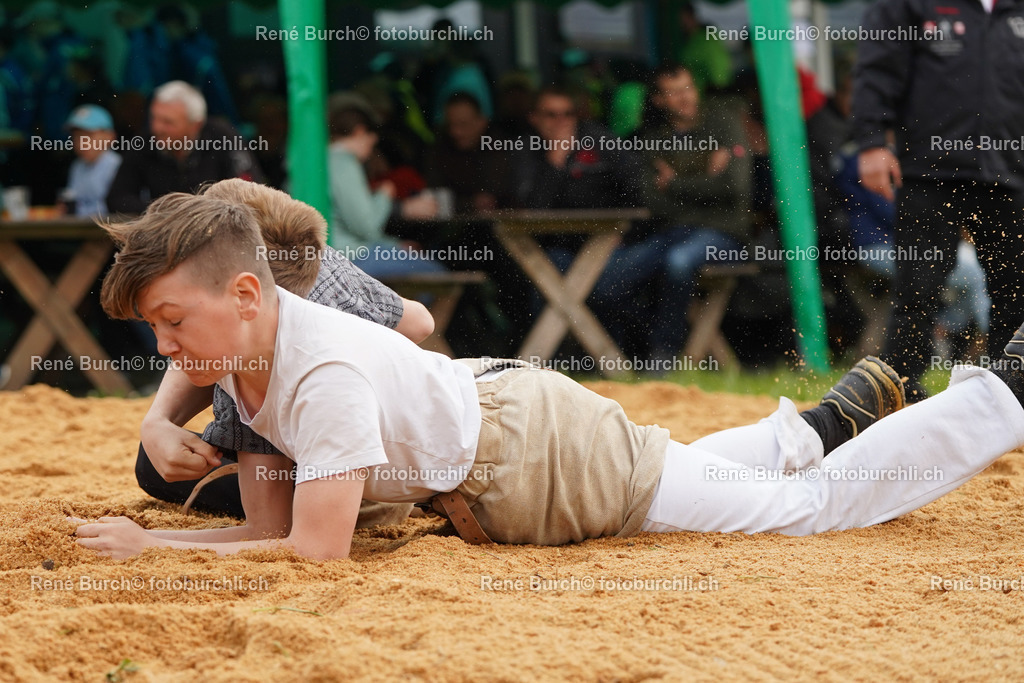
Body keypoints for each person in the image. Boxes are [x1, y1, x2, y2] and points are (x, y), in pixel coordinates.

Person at [73, 191, 1024, 559]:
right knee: (675, 470)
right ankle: (803, 431)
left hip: (537, 457)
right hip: (515, 430)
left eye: (171, 321)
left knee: (804, 512)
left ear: (247, 294)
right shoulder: (247, 358)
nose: (164, 348)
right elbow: (263, 530)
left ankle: (999, 396)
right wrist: (168, 534)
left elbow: (313, 554)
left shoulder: (317, 373)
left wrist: (152, 547)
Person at [127, 179, 433, 526]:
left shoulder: (257, 328)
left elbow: (270, 531)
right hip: (388, 458)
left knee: (155, 465)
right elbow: (420, 322)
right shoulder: (321, 261)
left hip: (344, 486)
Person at [852, 0, 1024, 401]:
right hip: (929, 172)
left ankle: (1008, 400)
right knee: (917, 293)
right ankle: (897, 397)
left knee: (1016, 296)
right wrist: (872, 140)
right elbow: (878, 66)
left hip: (1011, 173)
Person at [640, 63, 752, 362]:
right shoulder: (654, 137)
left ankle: (663, 355)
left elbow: (735, 187)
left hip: (725, 234)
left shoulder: (723, 123)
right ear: (658, 100)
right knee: (614, 276)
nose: (685, 97)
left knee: (677, 262)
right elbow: (652, 202)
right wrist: (706, 177)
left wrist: (674, 183)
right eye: (674, 92)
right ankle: (616, 355)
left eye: (688, 88)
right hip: (673, 231)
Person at [326, 93, 441, 278]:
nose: (371, 150)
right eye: (372, 141)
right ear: (360, 132)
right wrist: (384, 195)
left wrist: (394, 245)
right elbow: (367, 226)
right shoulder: (343, 163)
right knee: (436, 273)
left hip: (334, 255)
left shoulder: (321, 160)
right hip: (349, 256)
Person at [106, 80, 257, 214]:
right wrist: (163, 213)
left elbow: (250, 193)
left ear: (195, 125)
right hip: (163, 229)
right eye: (154, 118)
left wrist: (205, 213)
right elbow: (118, 198)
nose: (157, 128)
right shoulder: (144, 142)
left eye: (168, 122)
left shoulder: (223, 137)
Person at [62, 104, 121, 218]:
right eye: (77, 136)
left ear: (110, 136)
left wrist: (77, 211)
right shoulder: (77, 166)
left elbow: (115, 210)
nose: (82, 141)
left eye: (89, 135)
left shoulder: (117, 166)